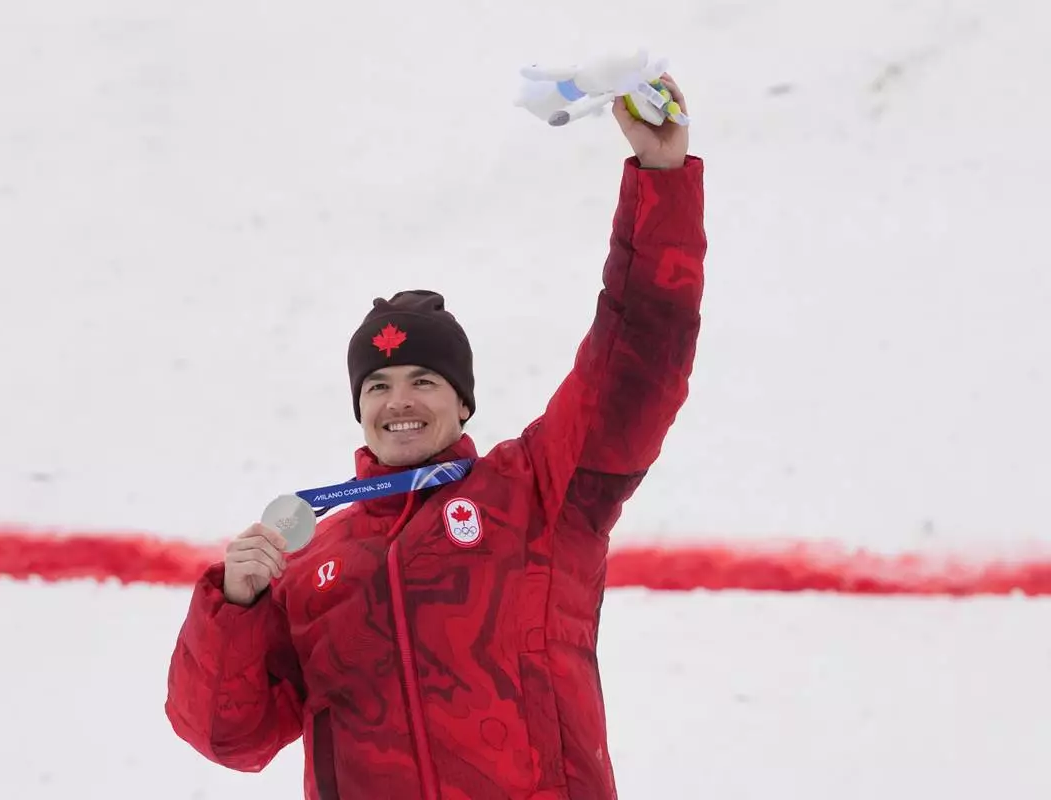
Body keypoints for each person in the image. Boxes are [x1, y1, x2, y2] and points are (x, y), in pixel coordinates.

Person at [164, 75, 706, 800]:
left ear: (462, 402)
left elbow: (637, 353)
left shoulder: (539, 493)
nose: (399, 402)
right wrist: (234, 608)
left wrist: (660, 182)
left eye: (423, 380)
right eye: (378, 386)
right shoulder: (313, 564)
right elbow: (231, 738)